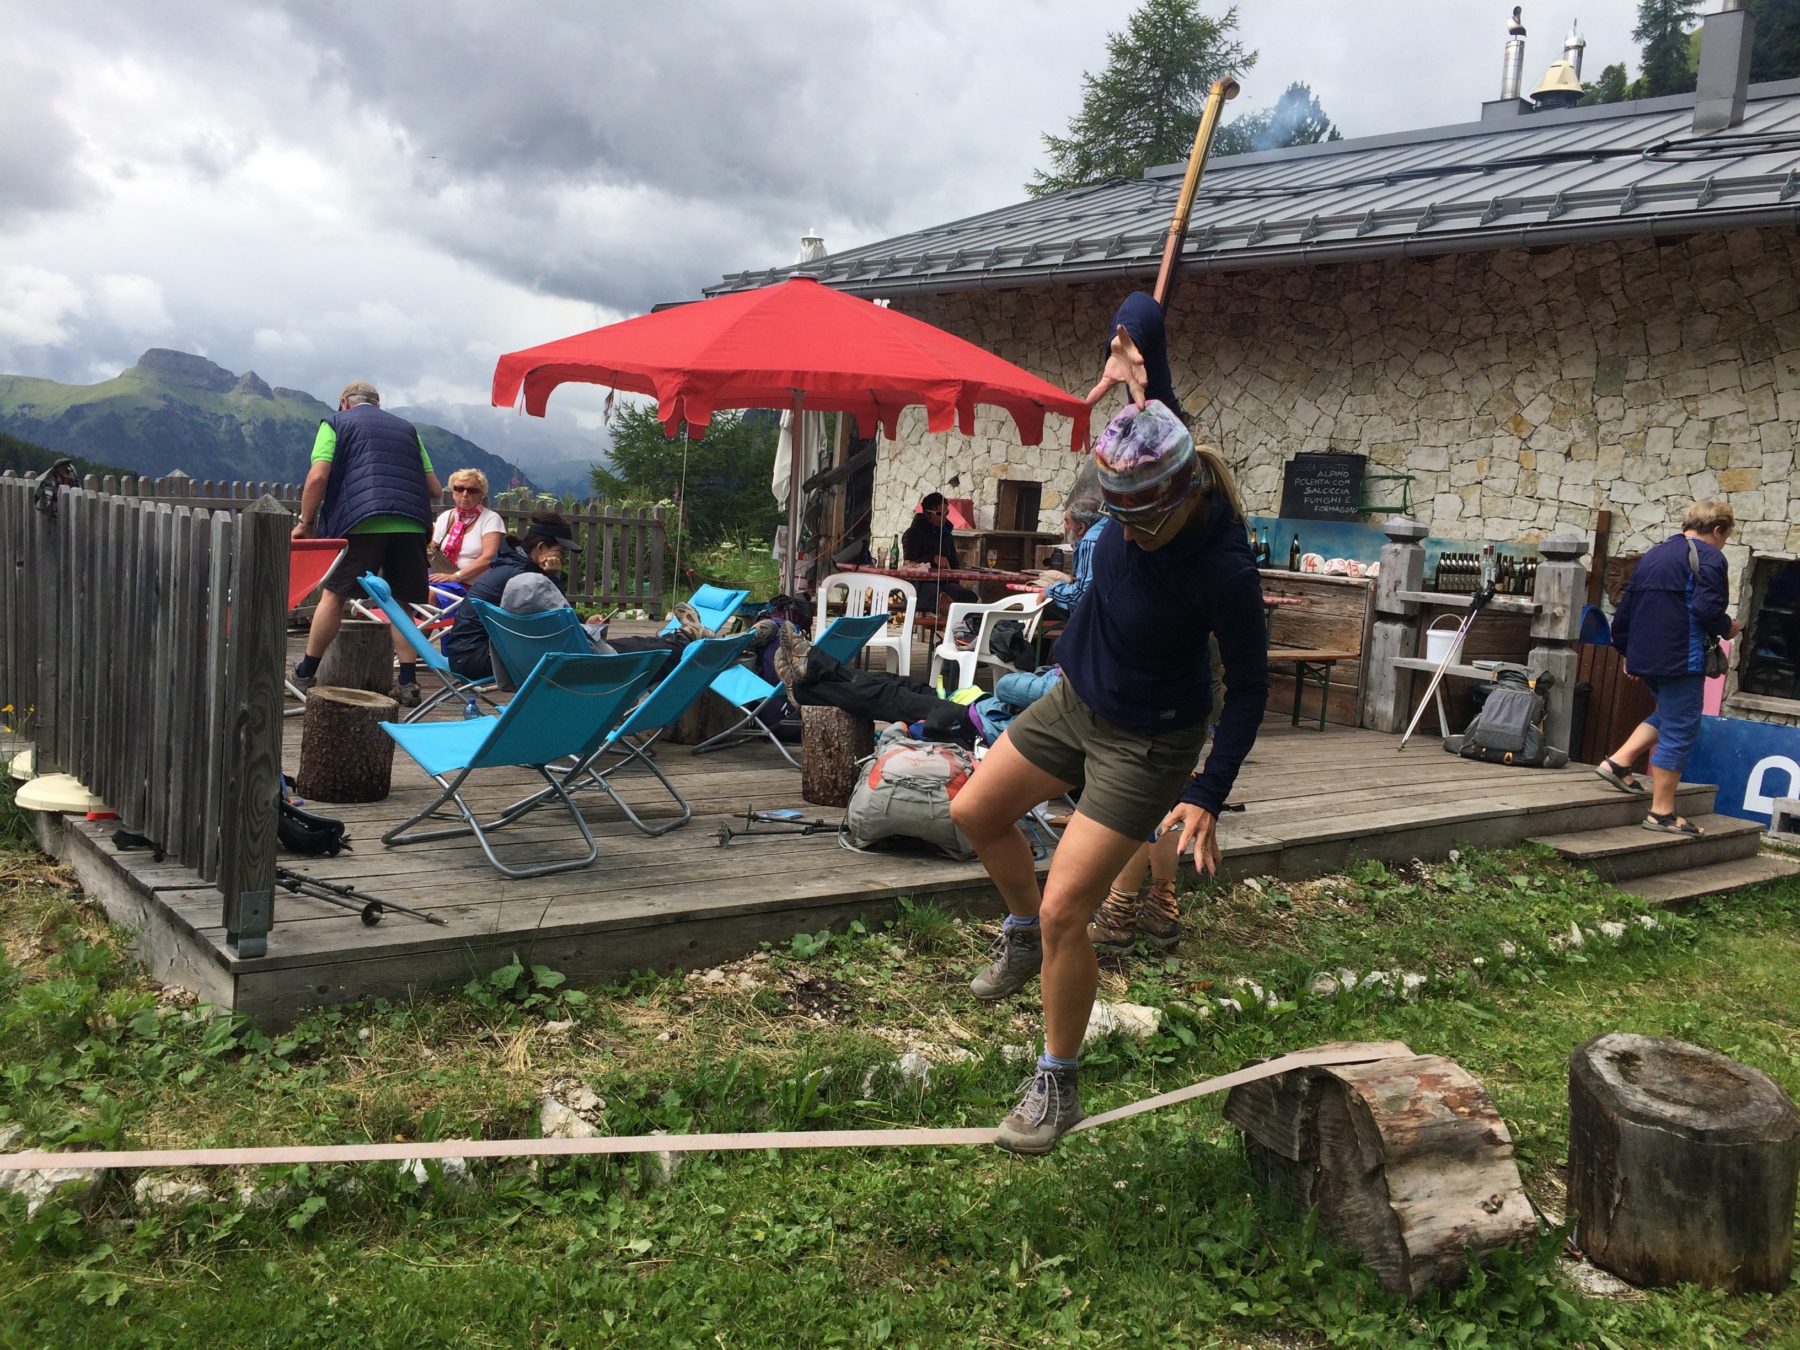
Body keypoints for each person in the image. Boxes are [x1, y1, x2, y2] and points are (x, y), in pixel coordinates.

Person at [949, 399, 1268, 1154]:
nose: (1122, 533)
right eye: (1113, 515)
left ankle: (1056, 1079)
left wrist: (1207, 790)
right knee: (975, 813)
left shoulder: (1223, 567)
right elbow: (1148, 366)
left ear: (1183, 497)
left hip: (1149, 742)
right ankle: (1022, 934)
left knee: (1070, 909)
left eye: (1137, 523)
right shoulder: (1152, 457)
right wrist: (1130, 341)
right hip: (1077, 700)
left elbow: (1250, 686)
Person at [291, 380, 440, 707]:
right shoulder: (407, 430)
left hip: (361, 521)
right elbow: (435, 489)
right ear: (378, 403)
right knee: (400, 601)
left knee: (335, 593)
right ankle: (407, 682)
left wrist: (304, 523)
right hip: (410, 523)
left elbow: (318, 477)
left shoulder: (335, 423)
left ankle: (305, 671)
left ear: (344, 402)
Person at [1596, 498, 1740, 835]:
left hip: (1647, 656)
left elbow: (1626, 608)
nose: (1723, 542)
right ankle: (1661, 813)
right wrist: (1728, 627)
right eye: (1725, 536)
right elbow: (1706, 610)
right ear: (1718, 530)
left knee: (1672, 712)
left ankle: (1618, 762)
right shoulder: (1710, 557)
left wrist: (1628, 651)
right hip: (1680, 657)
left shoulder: (1655, 554)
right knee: (1682, 727)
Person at [442, 510, 708, 682]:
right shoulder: (527, 580)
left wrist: (583, 621)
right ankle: (686, 642)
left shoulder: (511, 567)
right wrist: (554, 579)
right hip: (487, 659)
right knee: (622, 651)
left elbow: (546, 619)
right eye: (562, 551)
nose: (564, 557)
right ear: (543, 548)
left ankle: (681, 639)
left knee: (623, 644)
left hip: (475, 654)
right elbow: (558, 621)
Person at [902, 493, 979, 617]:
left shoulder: (946, 534)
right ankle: (949, 623)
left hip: (944, 583)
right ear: (927, 514)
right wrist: (932, 558)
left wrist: (955, 576)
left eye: (946, 513)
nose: (944, 517)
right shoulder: (913, 533)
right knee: (938, 596)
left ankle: (964, 631)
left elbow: (954, 564)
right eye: (939, 514)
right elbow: (909, 562)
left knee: (968, 597)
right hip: (919, 585)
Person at [429, 468, 506, 588]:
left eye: (472, 490)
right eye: (459, 489)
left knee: (428, 596)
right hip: (442, 577)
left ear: (481, 494)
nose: (465, 494)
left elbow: (488, 558)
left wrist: (455, 576)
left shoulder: (490, 519)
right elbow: (434, 548)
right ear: (453, 492)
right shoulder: (445, 517)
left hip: (472, 584)